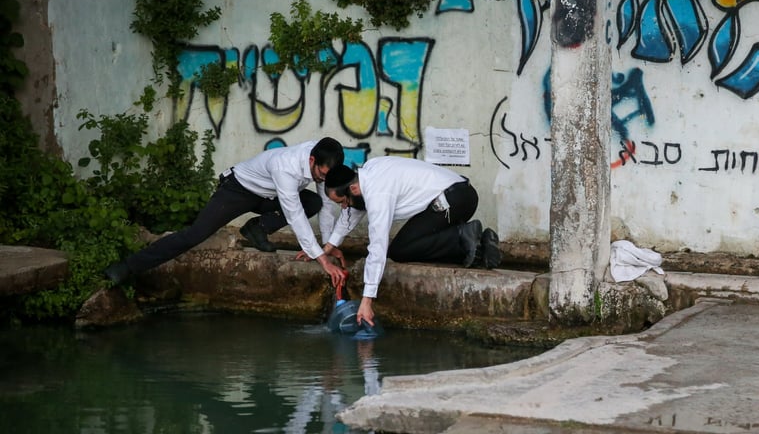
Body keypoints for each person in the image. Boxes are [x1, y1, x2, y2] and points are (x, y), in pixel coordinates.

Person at [103, 137, 348, 288]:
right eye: (321, 174)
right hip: (238, 190)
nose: (322, 179)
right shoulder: (287, 167)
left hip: (267, 196)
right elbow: (293, 214)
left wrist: (327, 245)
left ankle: (257, 228)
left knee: (314, 202)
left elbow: (327, 203)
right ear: (312, 159)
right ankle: (127, 267)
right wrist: (322, 259)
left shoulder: (323, 158)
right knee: (194, 235)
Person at [320, 157, 501, 327]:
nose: (344, 208)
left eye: (343, 202)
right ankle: (480, 248)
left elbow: (378, 246)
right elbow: (350, 214)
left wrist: (367, 300)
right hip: (460, 194)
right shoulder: (366, 174)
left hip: (455, 200)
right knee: (406, 245)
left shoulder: (378, 192)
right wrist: (327, 248)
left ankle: (462, 236)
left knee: (401, 250)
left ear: (353, 189)